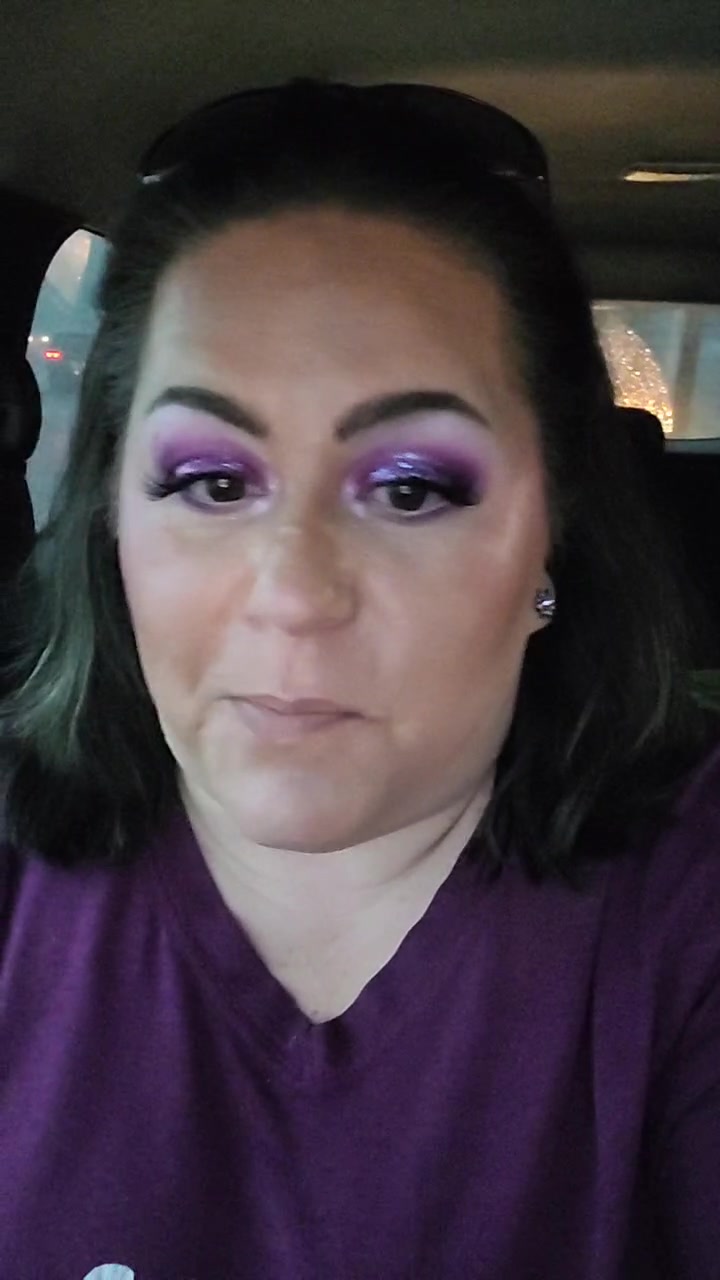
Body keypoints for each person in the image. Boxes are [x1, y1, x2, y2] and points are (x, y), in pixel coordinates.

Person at [1, 79, 718, 1280]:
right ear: (111, 517)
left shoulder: (688, 912)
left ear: (554, 530)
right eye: (212, 482)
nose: (294, 591)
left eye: (411, 488)